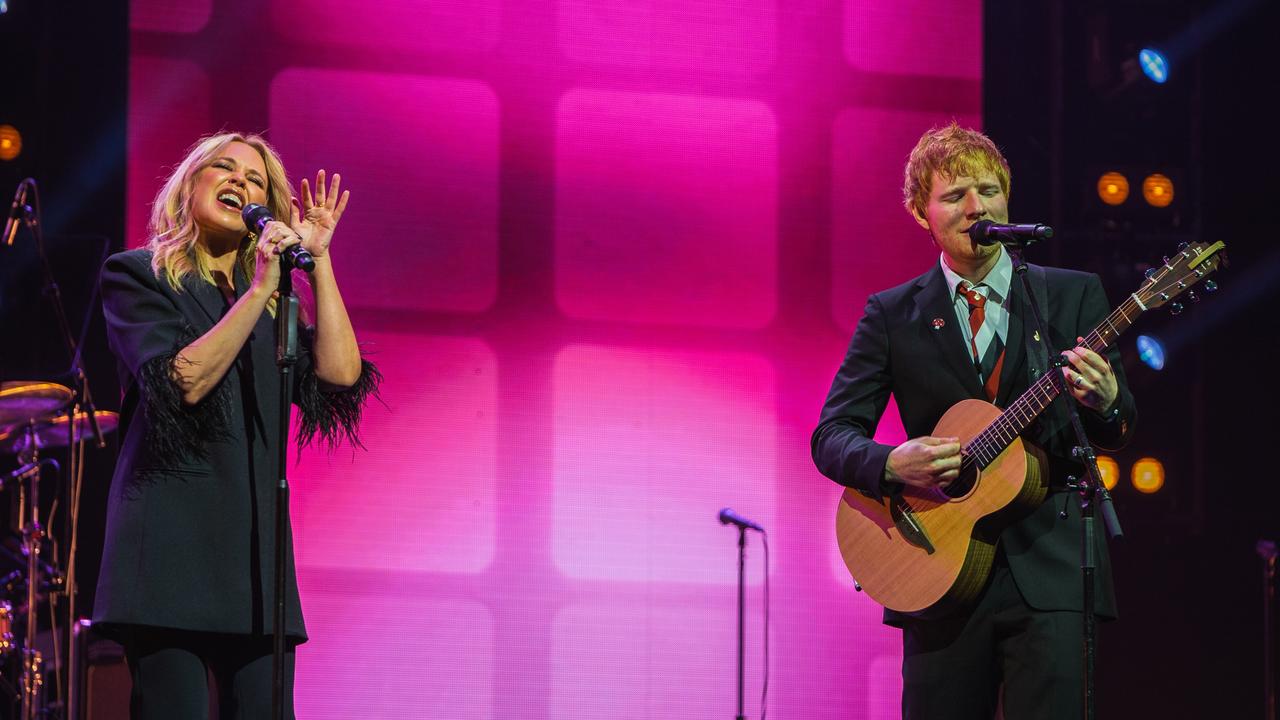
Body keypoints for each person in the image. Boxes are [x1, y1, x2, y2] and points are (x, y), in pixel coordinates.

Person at [811, 123, 1137, 719]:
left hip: (1053, 570)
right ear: (921, 212)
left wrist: (1108, 400)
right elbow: (831, 437)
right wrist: (890, 463)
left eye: (989, 191)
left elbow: (1116, 428)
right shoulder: (892, 314)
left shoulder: (1070, 296)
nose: (976, 206)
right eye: (955, 194)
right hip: (935, 569)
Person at [93, 132, 380, 718]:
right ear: (188, 185)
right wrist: (258, 290)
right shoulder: (138, 276)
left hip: (255, 555)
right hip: (168, 549)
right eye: (223, 169)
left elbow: (341, 375)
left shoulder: (278, 306)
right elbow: (183, 383)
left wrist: (318, 263)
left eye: (255, 181)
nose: (239, 184)